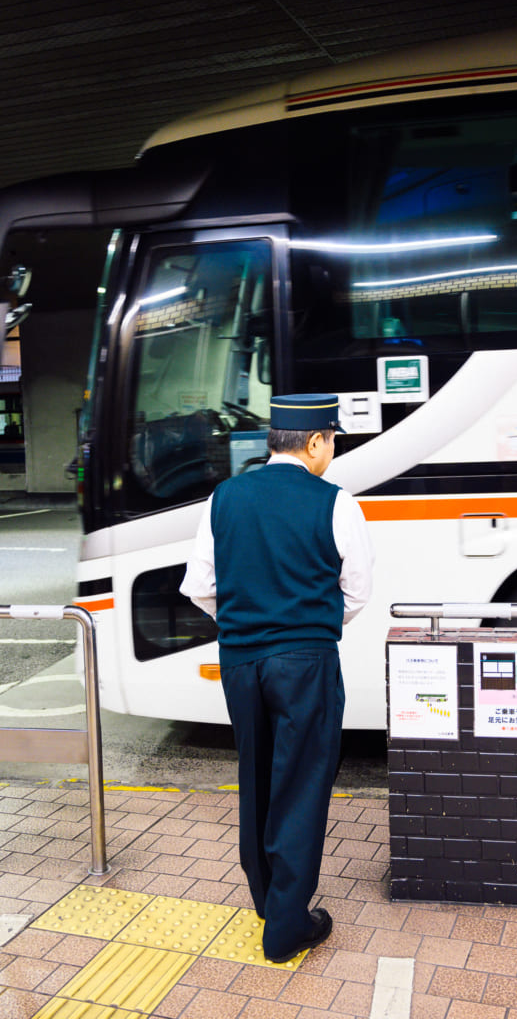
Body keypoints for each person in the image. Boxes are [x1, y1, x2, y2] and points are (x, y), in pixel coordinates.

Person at [180, 393, 374, 963]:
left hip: (241, 661)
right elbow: (357, 592)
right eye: (331, 441)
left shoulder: (224, 497)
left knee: (257, 775)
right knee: (301, 785)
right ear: (315, 442)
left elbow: (199, 586)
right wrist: (307, 625)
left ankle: (267, 900)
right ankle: (287, 928)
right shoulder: (336, 502)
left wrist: (247, 624)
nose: (331, 451)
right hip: (306, 663)